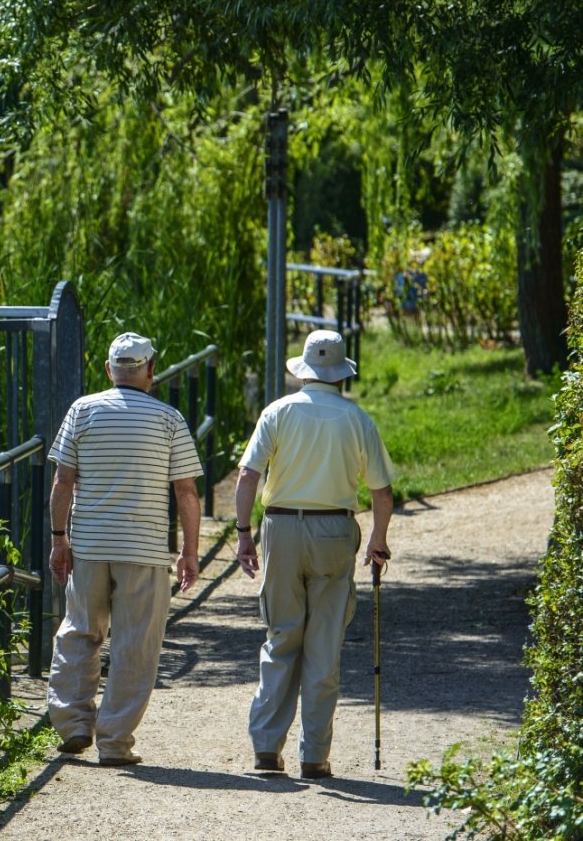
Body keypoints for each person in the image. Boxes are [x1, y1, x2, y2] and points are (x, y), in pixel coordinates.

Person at [235, 329, 396, 779]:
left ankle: (267, 749)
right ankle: (314, 756)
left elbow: (248, 476)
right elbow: (382, 492)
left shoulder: (278, 412)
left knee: (281, 635)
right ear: (341, 374)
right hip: (334, 529)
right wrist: (378, 540)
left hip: (281, 526)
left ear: (304, 371)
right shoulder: (357, 419)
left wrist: (244, 533)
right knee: (323, 645)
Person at [47, 331, 203, 766]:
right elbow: (186, 493)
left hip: (90, 546)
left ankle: (74, 723)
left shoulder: (82, 410)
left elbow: (63, 481)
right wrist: (190, 552)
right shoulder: (169, 419)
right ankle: (114, 741)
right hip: (145, 549)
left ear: (108, 369)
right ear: (151, 370)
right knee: (136, 645)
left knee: (79, 631)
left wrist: (59, 539)